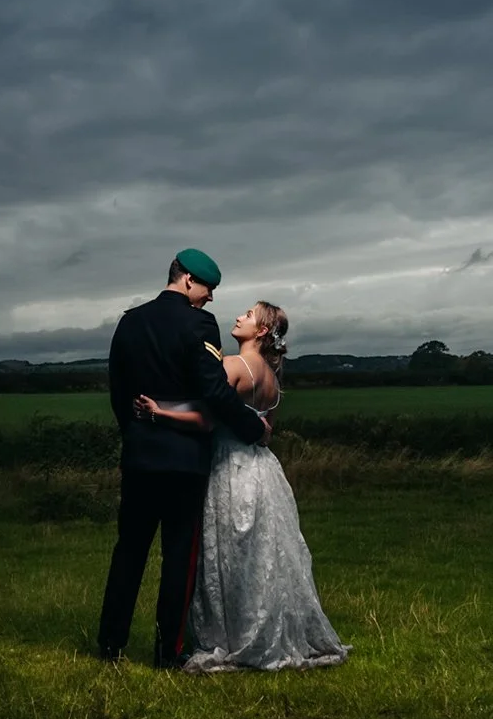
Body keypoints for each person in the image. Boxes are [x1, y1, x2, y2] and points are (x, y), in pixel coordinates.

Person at [136, 301, 350, 673]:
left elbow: (204, 421)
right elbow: (265, 433)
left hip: (230, 469)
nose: (239, 317)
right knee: (261, 558)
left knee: (229, 556)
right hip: (264, 473)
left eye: (248, 316)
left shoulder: (233, 366)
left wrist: (158, 411)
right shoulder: (272, 377)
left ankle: (232, 634)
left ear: (262, 332)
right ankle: (266, 628)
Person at [97, 249, 269, 668]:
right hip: (184, 459)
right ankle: (166, 651)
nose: (210, 298)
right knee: (179, 557)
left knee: (129, 551)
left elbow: (118, 391)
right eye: (208, 288)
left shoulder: (129, 321)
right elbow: (213, 390)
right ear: (189, 279)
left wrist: (136, 432)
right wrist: (252, 428)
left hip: (139, 454)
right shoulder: (199, 324)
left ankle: (110, 646)